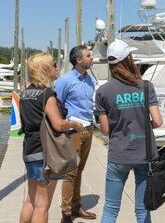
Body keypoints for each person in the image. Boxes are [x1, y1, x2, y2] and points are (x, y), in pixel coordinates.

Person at [94, 39, 163, 223]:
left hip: (119, 155)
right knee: (142, 211)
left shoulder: (103, 91)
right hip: (145, 155)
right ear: (129, 59)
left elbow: (106, 129)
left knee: (110, 209)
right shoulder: (146, 86)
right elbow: (157, 121)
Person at [19, 52, 85, 223]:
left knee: (30, 200)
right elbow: (58, 124)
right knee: (43, 204)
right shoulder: (47, 94)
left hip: (29, 149)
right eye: (54, 65)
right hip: (45, 153)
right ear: (46, 68)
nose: (56, 68)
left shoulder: (26, 93)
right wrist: (73, 124)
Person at [54, 45, 96, 223]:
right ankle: (66, 213)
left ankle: (77, 206)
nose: (92, 58)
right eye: (88, 55)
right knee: (71, 172)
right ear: (79, 60)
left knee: (80, 171)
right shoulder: (65, 81)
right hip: (73, 132)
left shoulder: (90, 80)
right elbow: (56, 106)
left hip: (88, 130)